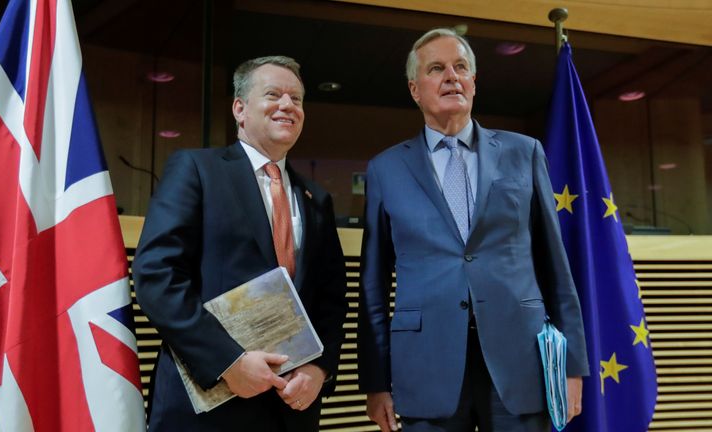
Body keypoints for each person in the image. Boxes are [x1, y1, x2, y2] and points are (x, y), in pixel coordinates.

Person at [358, 28, 589, 432]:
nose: (451, 76)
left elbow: (556, 266)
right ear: (415, 89)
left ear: (474, 82)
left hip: (520, 365)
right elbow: (373, 288)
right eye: (436, 69)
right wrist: (375, 382)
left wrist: (572, 366)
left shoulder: (525, 152)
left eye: (460, 67)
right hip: (426, 368)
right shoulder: (385, 169)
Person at [133, 56, 347, 431]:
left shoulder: (317, 198)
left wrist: (320, 368)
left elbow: (331, 298)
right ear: (240, 109)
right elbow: (157, 276)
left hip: (290, 407)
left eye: (296, 99)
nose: (288, 106)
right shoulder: (197, 170)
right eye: (274, 94)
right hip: (209, 401)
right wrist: (227, 362)